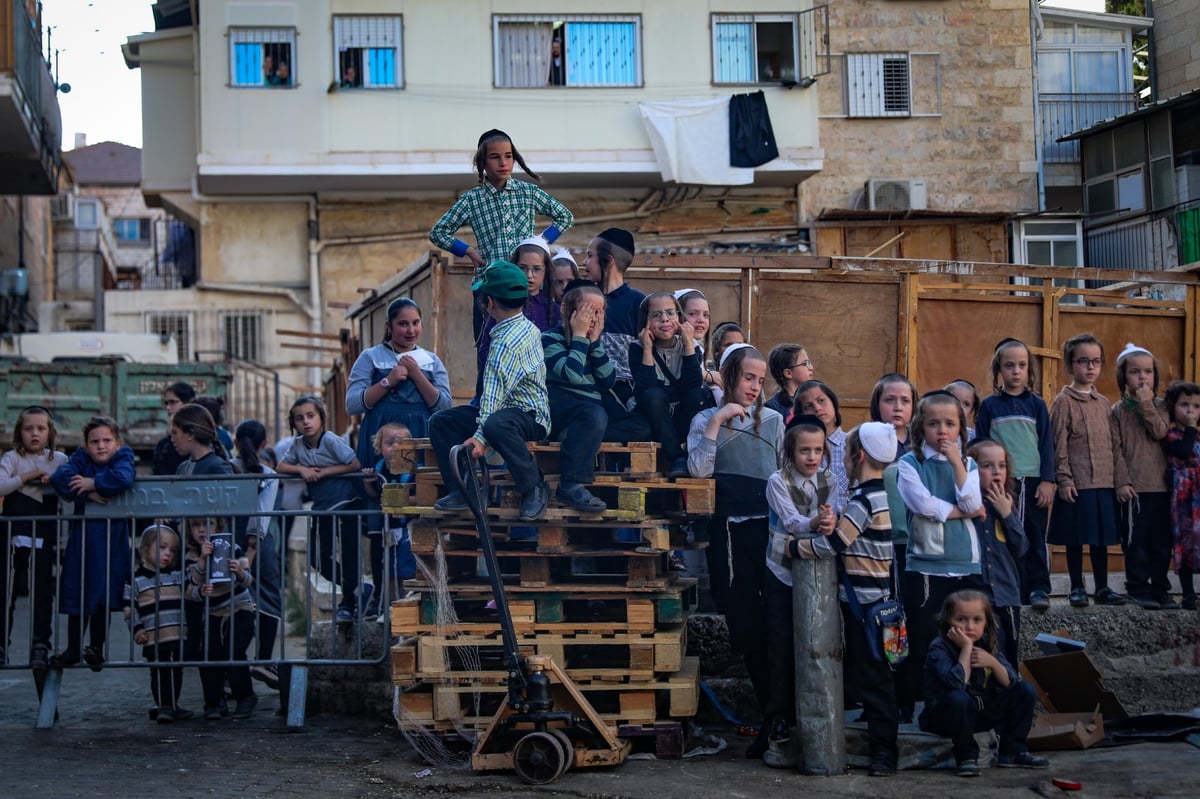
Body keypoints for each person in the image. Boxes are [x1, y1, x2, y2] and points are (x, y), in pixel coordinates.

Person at [686, 345, 783, 758]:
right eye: (748, 378)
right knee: (744, 625)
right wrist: (718, 421)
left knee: (772, 628)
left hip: (767, 535)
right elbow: (698, 471)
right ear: (728, 377)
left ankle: (778, 720)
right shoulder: (704, 419)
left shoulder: (775, 421)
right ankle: (770, 718)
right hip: (726, 536)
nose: (755, 387)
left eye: (760, 381)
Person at [788, 422, 901, 777]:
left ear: (859, 456)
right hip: (877, 607)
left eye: (846, 454)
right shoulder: (876, 495)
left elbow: (834, 545)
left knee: (875, 682)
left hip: (866, 609)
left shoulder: (864, 501)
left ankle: (885, 753)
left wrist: (794, 547)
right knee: (872, 678)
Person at [430, 261, 551, 522]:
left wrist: (480, 439)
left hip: (528, 416)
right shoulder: (525, 325)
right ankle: (464, 490)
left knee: (496, 424)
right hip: (506, 412)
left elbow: (492, 399)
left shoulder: (505, 344)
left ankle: (534, 486)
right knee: (442, 422)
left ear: (489, 303)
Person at [429, 129, 573, 340]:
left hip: (526, 287)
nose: (503, 162)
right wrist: (468, 251)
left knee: (534, 342)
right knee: (488, 347)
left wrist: (538, 242)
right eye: (495, 157)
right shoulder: (472, 200)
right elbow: (438, 232)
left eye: (508, 156)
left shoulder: (528, 192)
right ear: (482, 163)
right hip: (490, 288)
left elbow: (565, 217)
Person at [894, 390, 984, 722]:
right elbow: (924, 506)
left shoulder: (970, 464)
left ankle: (960, 704)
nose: (942, 431)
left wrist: (959, 464)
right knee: (921, 638)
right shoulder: (908, 463)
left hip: (964, 563)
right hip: (927, 565)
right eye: (934, 424)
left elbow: (975, 502)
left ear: (961, 428)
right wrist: (963, 513)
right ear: (921, 427)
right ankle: (910, 705)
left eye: (950, 424)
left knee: (963, 638)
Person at [761, 414, 835, 767]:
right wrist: (817, 523)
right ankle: (778, 718)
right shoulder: (777, 480)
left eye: (818, 450)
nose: (812, 457)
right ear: (790, 452)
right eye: (804, 450)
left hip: (819, 575)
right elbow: (791, 522)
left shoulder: (830, 479)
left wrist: (831, 521)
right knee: (781, 645)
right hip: (783, 572)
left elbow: (837, 510)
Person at [919, 590, 1049, 777]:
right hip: (945, 715)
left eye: (977, 620)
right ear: (948, 620)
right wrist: (966, 649)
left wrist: (993, 663)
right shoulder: (939, 646)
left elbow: (1010, 681)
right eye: (961, 619)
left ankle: (1013, 752)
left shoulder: (987, 642)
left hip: (978, 712)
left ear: (986, 621)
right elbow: (956, 684)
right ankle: (966, 757)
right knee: (959, 698)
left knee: (1025, 690)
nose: (969, 627)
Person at [974, 338, 1056, 611]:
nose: (1016, 371)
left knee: (1034, 534)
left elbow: (1046, 445)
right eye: (1009, 366)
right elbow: (982, 446)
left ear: (1029, 370)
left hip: (1032, 483)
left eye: (1021, 366)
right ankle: (1015, 588)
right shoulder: (989, 406)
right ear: (999, 369)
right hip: (1001, 484)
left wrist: (1047, 480)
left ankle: (1038, 588)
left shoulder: (1037, 405)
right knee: (1005, 535)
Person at [1048, 333, 1128, 608]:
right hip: (1077, 484)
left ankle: (1103, 587)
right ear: (1070, 366)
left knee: (1101, 540)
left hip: (1104, 483)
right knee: (1074, 538)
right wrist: (1064, 478)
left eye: (1096, 361)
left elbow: (1115, 446)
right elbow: (1058, 443)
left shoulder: (1104, 403)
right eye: (1083, 361)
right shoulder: (1063, 402)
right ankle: (1077, 587)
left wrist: (1120, 482)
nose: (1090, 367)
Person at [50, 416, 136, 669]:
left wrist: (93, 481)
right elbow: (60, 477)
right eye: (94, 441)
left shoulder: (124, 456)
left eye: (107, 440)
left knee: (103, 596)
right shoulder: (80, 459)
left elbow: (123, 478)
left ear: (117, 443)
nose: (101, 446)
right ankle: (73, 649)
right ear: (86, 445)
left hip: (112, 542)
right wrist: (87, 492)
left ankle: (96, 647)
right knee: (79, 593)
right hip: (83, 541)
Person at [277, 396, 364, 624]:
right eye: (299, 418)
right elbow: (280, 467)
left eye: (310, 416)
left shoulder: (331, 440)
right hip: (322, 508)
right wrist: (301, 469)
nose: (306, 422)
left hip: (346, 505)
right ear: (293, 423)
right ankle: (359, 589)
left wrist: (323, 473)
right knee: (319, 559)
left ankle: (348, 603)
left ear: (321, 418)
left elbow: (354, 464)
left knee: (348, 555)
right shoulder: (297, 445)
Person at [346, 296, 451, 468]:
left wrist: (417, 374)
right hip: (380, 433)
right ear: (389, 326)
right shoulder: (371, 357)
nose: (411, 330)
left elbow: (444, 407)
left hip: (420, 433)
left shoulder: (431, 361)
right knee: (378, 484)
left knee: (419, 488)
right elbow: (352, 404)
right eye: (403, 324)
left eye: (416, 323)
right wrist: (388, 381)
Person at [0, 406, 67, 668]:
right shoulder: (12, 458)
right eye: (28, 429)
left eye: (41, 428)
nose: (35, 433)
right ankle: (1, 644)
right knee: (6, 593)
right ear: (20, 432)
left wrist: (55, 481)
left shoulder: (59, 460)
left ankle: (41, 644)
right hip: (12, 538)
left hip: (44, 536)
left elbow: (70, 483)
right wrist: (27, 477)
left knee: (42, 592)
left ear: (50, 432)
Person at [541, 282, 616, 513]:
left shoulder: (593, 343)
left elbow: (607, 380)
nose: (591, 319)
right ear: (566, 309)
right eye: (586, 312)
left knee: (638, 424)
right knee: (593, 414)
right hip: (562, 406)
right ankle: (571, 483)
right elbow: (572, 375)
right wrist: (580, 337)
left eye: (598, 313)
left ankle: (578, 434)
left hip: (590, 412)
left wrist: (593, 344)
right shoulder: (549, 339)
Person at [1111, 343, 1175, 610]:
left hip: (1161, 488)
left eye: (1148, 372)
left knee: (1161, 544)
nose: (1142, 377)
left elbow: (1160, 432)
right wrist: (1123, 481)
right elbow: (1116, 450)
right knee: (1135, 543)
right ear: (1123, 377)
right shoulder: (1118, 411)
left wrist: (1147, 404)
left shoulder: (1162, 406)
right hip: (1134, 491)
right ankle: (1138, 588)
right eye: (1135, 372)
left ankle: (1161, 588)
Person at [184, 516, 257, 720]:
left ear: (218, 526)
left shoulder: (231, 548)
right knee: (209, 654)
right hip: (212, 611)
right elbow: (190, 588)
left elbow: (249, 581)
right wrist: (202, 563)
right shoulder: (191, 555)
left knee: (234, 650)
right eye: (196, 524)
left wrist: (239, 571)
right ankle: (214, 702)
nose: (202, 530)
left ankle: (245, 697)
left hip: (239, 607)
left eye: (208, 524)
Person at [230, 419, 284, 687]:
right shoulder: (268, 474)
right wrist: (250, 554)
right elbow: (261, 518)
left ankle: (231, 667)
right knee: (269, 598)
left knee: (232, 602)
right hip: (260, 544)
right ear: (264, 444)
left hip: (230, 540)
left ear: (236, 443)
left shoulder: (228, 469)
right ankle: (263, 659)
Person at [631, 292, 708, 478]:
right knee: (653, 396)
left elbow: (693, 385)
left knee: (699, 395)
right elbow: (645, 389)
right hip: (654, 415)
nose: (665, 319)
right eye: (656, 315)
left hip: (680, 413)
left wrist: (689, 344)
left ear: (679, 317)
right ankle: (677, 457)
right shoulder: (637, 347)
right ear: (646, 321)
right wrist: (648, 349)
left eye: (670, 313)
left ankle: (685, 454)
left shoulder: (692, 345)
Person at [475, 238, 562, 398]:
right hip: (501, 389)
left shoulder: (555, 311)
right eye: (523, 268)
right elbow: (484, 351)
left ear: (546, 272)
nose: (529, 275)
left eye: (537, 269)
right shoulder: (502, 304)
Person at [966, 439, 1027, 668]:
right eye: (987, 466)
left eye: (1001, 466)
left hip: (1006, 596)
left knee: (1008, 662)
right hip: (976, 598)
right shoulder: (967, 505)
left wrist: (1006, 514)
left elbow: (1021, 548)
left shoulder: (1009, 502)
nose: (996, 472)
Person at [124, 523, 191, 723]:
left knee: (175, 671)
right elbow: (130, 609)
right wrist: (137, 629)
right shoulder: (135, 580)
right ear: (145, 549)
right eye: (161, 548)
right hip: (154, 636)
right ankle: (164, 705)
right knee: (159, 672)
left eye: (172, 550)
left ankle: (170, 704)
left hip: (176, 634)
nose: (167, 554)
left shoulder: (177, 576)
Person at [584, 228, 645, 419]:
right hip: (587, 388)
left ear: (608, 260)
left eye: (590, 256)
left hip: (625, 394)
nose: (584, 263)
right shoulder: (583, 298)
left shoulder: (638, 303)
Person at [361, 422, 418, 615]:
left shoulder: (415, 471)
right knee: (388, 568)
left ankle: (407, 606)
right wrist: (368, 482)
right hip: (388, 527)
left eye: (403, 442)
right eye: (391, 443)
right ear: (379, 447)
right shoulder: (379, 470)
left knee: (406, 568)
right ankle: (391, 606)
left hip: (408, 528)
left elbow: (422, 496)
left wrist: (398, 497)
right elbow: (375, 494)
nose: (397, 447)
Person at [1162, 380, 1200, 610]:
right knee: (1186, 542)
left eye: (1196, 407)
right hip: (1185, 499)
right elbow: (1184, 452)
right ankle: (1188, 593)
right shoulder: (1173, 436)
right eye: (1185, 405)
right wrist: (1191, 427)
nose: (1190, 411)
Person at [792, 380, 849, 515]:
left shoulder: (851, 444)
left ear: (834, 404)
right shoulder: (797, 450)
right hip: (808, 525)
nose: (817, 408)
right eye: (808, 406)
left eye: (821, 400)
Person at [171, 404, 235, 477]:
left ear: (190, 434)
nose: (172, 439)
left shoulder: (218, 468)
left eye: (175, 433)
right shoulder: (182, 468)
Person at [153, 381, 196, 475]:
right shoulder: (164, 446)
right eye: (166, 403)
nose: (168, 407)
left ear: (188, 402)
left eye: (173, 402)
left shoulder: (202, 440)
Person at [872, 374, 917, 455]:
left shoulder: (922, 441)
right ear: (877, 403)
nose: (898, 408)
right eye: (890, 400)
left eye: (905, 401)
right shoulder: (866, 440)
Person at [765, 343, 813, 418]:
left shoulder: (814, 400)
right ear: (788, 373)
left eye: (809, 363)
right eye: (804, 364)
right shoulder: (773, 408)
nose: (811, 368)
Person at [706, 322, 745, 405]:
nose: (734, 349)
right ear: (717, 349)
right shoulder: (707, 377)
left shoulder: (752, 375)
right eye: (729, 345)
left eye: (739, 345)